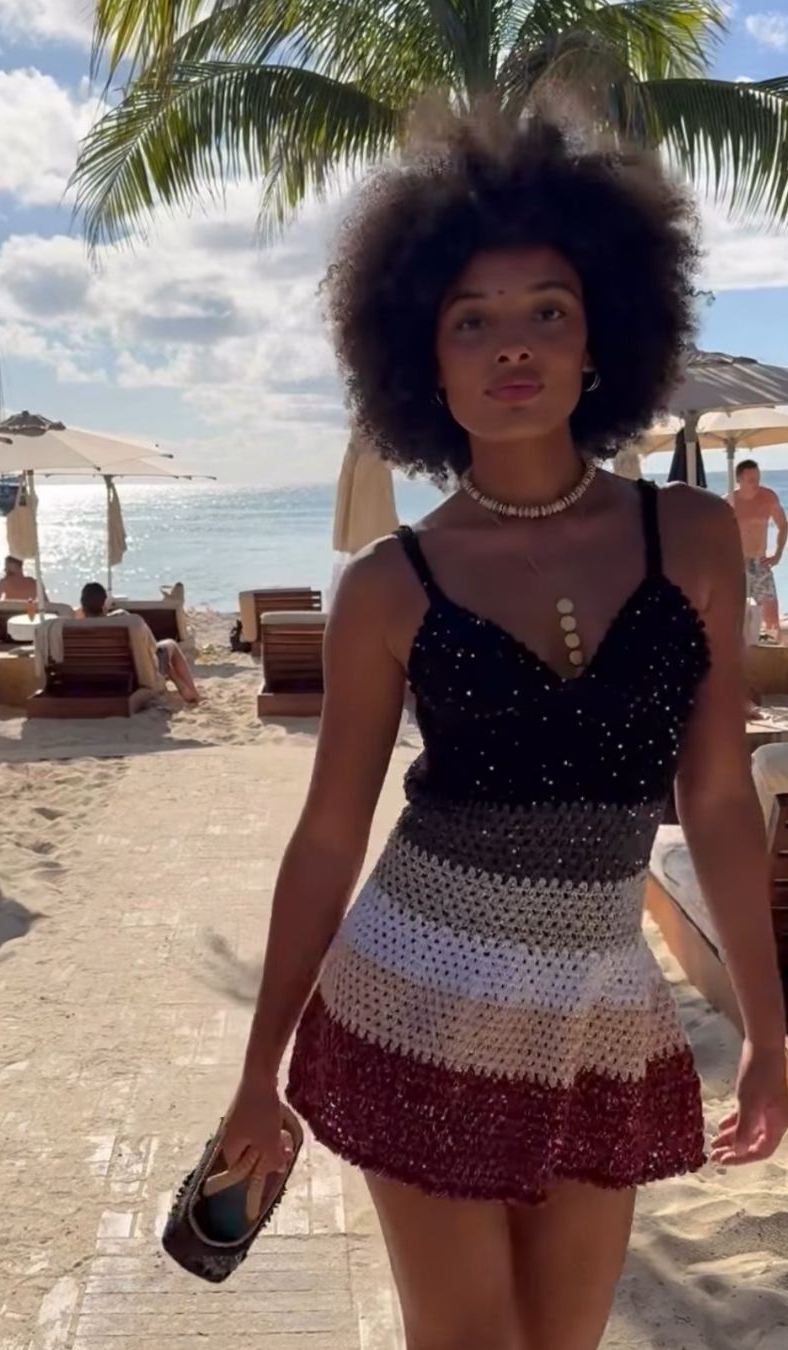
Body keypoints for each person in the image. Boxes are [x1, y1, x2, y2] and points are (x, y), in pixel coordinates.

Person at [213, 115, 788, 1350]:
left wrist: (768, 1024)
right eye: (471, 320)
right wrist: (259, 1071)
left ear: (602, 340)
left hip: (599, 1010)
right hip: (415, 998)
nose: (512, 344)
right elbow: (329, 836)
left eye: (548, 311)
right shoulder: (388, 582)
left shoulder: (693, 537)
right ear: (423, 359)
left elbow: (719, 798)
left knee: (563, 1338)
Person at [79, 581, 200, 703]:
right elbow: (153, 647)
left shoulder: (76, 629)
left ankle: (174, 676)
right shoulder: (123, 618)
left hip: (94, 680)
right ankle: (191, 691)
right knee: (170, 644)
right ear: (104, 603)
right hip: (132, 677)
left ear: (83, 605)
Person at [729, 459, 786, 641]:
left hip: (760, 562)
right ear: (739, 479)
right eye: (751, 480)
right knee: (735, 619)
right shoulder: (728, 502)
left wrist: (777, 554)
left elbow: (783, 525)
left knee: (771, 618)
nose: (756, 483)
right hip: (736, 564)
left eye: (758, 478)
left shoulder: (767, 497)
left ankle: (774, 650)